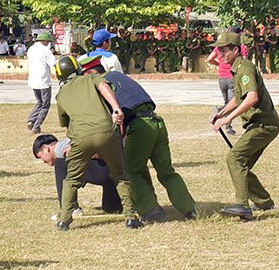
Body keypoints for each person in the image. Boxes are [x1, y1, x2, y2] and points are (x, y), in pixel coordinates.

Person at [79, 55, 197, 222]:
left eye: (84, 76)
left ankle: (150, 210)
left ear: (90, 73)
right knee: (166, 172)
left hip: (139, 125)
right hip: (157, 122)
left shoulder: (102, 85)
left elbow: (113, 117)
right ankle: (190, 209)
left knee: (127, 171)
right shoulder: (118, 76)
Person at [52, 55, 140, 230]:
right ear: (78, 69)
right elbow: (104, 86)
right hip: (107, 132)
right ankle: (130, 217)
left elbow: (65, 123)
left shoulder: (61, 95)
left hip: (80, 137)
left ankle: (64, 220)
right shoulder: (91, 78)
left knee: (71, 179)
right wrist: (116, 108)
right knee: (120, 175)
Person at [209, 31, 279, 220]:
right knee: (242, 166)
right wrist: (221, 113)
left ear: (235, 49)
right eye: (219, 51)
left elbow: (252, 98)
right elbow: (239, 98)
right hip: (261, 123)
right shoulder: (238, 68)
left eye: (224, 50)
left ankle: (242, 206)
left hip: (264, 124)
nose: (220, 54)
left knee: (234, 159)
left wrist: (228, 118)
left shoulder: (245, 68)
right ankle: (265, 203)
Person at [33, 134, 123, 215]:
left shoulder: (62, 148)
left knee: (60, 163)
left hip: (108, 169)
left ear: (46, 148)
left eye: (40, 156)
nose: (43, 161)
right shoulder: (68, 142)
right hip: (114, 175)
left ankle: (69, 208)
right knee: (111, 209)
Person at [26, 31, 57, 134]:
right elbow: (54, 63)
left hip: (33, 80)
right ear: (44, 41)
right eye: (48, 41)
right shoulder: (45, 50)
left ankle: (31, 119)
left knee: (39, 102)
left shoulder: (31, 49)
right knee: (45, 104)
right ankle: (36, 126)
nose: (48, 43)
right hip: (43, 80)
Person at [206, 40, 238, 136]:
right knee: (231, 103)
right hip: (231, 77)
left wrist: (219, 64)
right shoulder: (235, 48)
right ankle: (226, 123)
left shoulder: (218, 48)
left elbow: (209, 59)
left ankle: (227, 124)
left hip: (221, 78)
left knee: (226, 102)